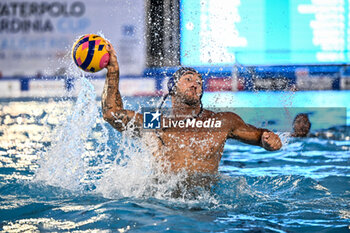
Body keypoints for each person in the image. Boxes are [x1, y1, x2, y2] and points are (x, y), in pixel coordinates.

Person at [101, 43, 282, 177]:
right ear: (173, 89)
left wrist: (267, 140)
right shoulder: (156, 121)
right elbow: (111, 113)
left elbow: (258, 136)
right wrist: (113, 72)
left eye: (199, 81)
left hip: (206, 207)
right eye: (188, 79)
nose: (196, 84)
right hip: (165, 207)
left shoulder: (222, 121)